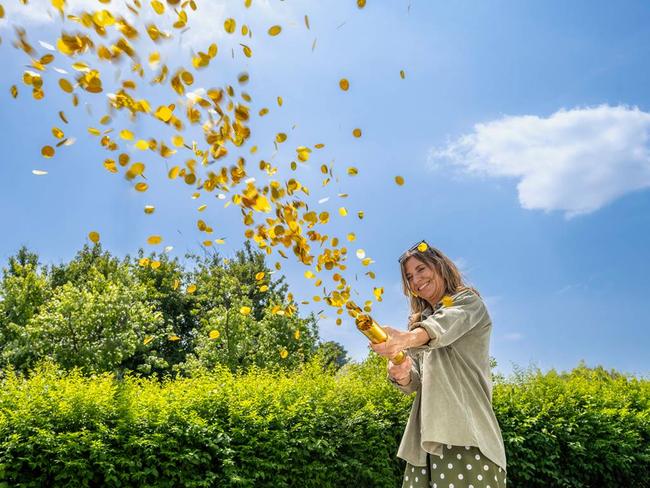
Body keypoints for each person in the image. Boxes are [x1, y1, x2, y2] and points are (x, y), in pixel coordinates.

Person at [370, 240, 507, 488]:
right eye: (409, 277)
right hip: (424, 441)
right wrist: (401, 373)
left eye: (421, 269)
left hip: (467, 436)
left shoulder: (467, 302)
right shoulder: (421, 323)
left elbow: (442, 326)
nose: (416, 280)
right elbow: (417, 381)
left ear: (440, 266)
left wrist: (407, 339)